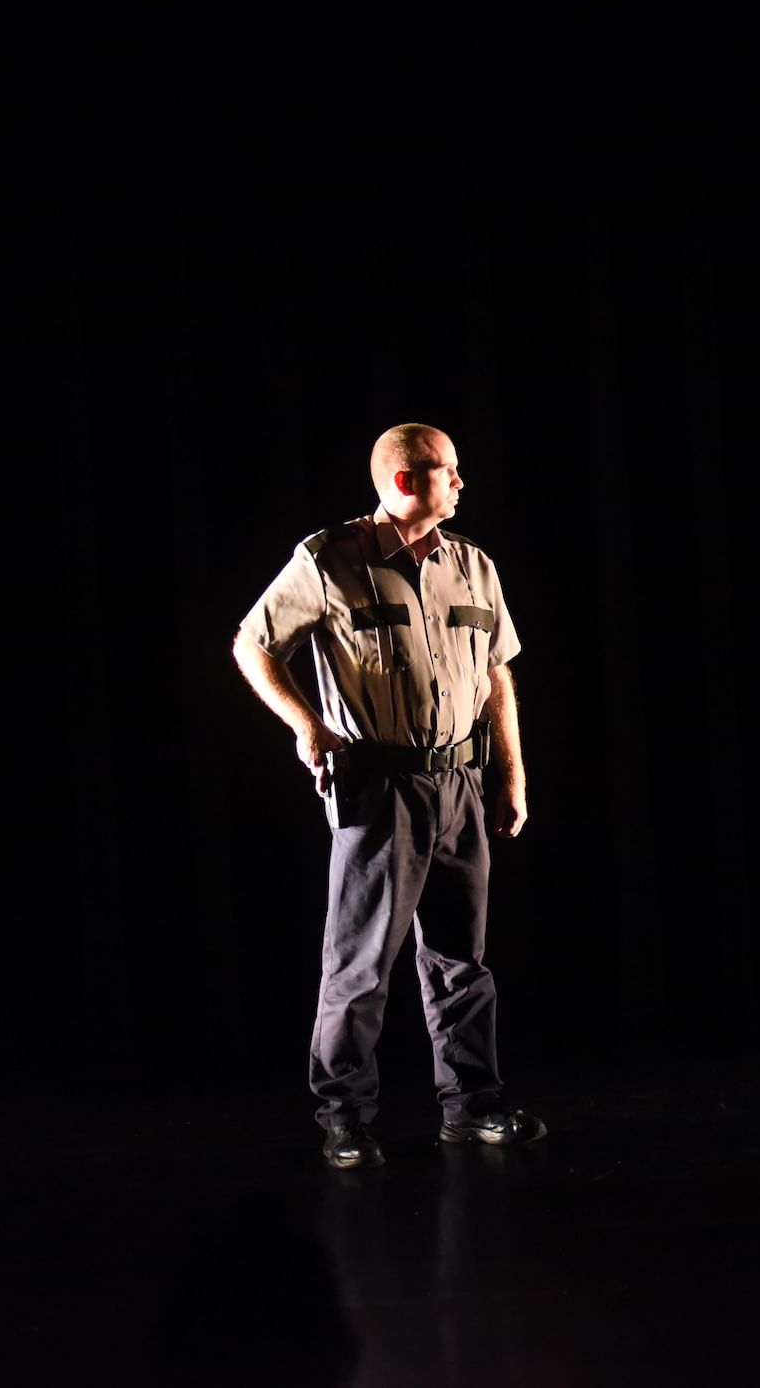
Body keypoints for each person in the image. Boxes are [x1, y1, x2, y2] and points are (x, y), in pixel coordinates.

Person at [233, 423, 547, 1165]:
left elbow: (498, 674)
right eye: (449, 471)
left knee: (460, 962)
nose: (462, 483)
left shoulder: (472, 565)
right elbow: (253, 644)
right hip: (378, 784)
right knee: (360, 963)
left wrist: (512, 775)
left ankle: (470, 1108)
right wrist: (306, 726)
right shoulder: (328, 560)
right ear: (406, 481)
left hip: (460, 782)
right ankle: (344, 1117)